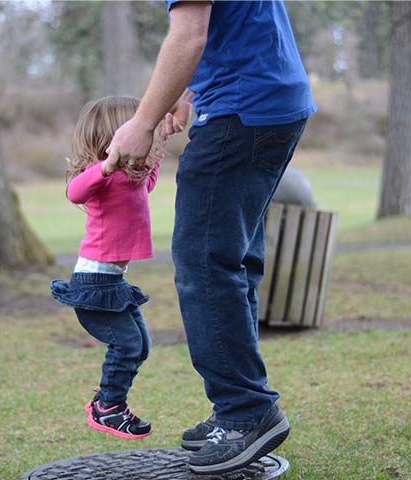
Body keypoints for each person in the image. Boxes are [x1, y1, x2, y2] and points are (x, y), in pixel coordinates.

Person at [104, 0, 316, 474]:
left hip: (241, 110)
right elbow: (228, 27)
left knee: (204, 263)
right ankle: (236, 411)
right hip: (272, 103)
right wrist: (188, 89)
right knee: (232, 260)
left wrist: (142, 122)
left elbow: (189, 35)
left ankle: (246, 412)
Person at [50, 96, 164, 440]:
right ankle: (109, 408)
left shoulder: (129, 180)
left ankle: (107, 402)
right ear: (115, 136)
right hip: (93, 284)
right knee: (128, 346)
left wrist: (160, 144)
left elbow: (148, 184)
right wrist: (106, 165)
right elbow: (73, 192)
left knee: (141, 346)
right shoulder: (98, 177)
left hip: (112, 283)